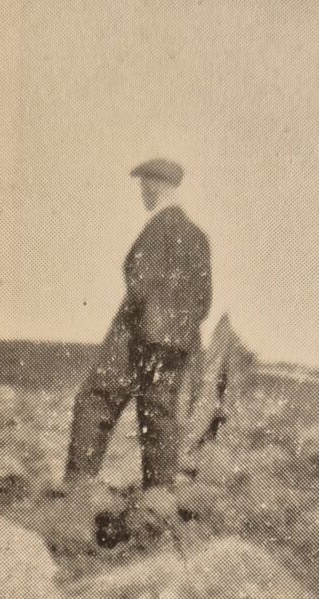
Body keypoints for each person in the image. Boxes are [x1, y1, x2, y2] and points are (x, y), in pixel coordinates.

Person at [63, 157, 213, 503]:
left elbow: (139, 282)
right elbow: (204, 300)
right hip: (181, 339)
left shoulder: (155, 230)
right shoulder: (198, 237)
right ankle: (159, 495)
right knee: (159, 411)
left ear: (151, 185)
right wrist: (179, 329)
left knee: (96, 399)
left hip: (141, 333)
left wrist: (147, 330)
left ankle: (77, 487)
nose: (142, 193)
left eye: (142, 186)